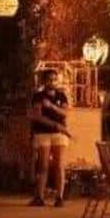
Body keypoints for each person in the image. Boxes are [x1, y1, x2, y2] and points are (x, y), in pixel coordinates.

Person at [29, 69, 70, 207]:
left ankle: (59, 197)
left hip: (59, 134)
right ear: (44, 81)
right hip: (43, 133)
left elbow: (65, 113)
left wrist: (52, 106)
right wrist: (54, 125)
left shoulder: (61, 96)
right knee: (43, 165)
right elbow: (37, 116)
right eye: (49, 79)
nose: (52, 82)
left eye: (54, 79)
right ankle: (39, 197)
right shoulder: (38, 96)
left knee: (59, 165)